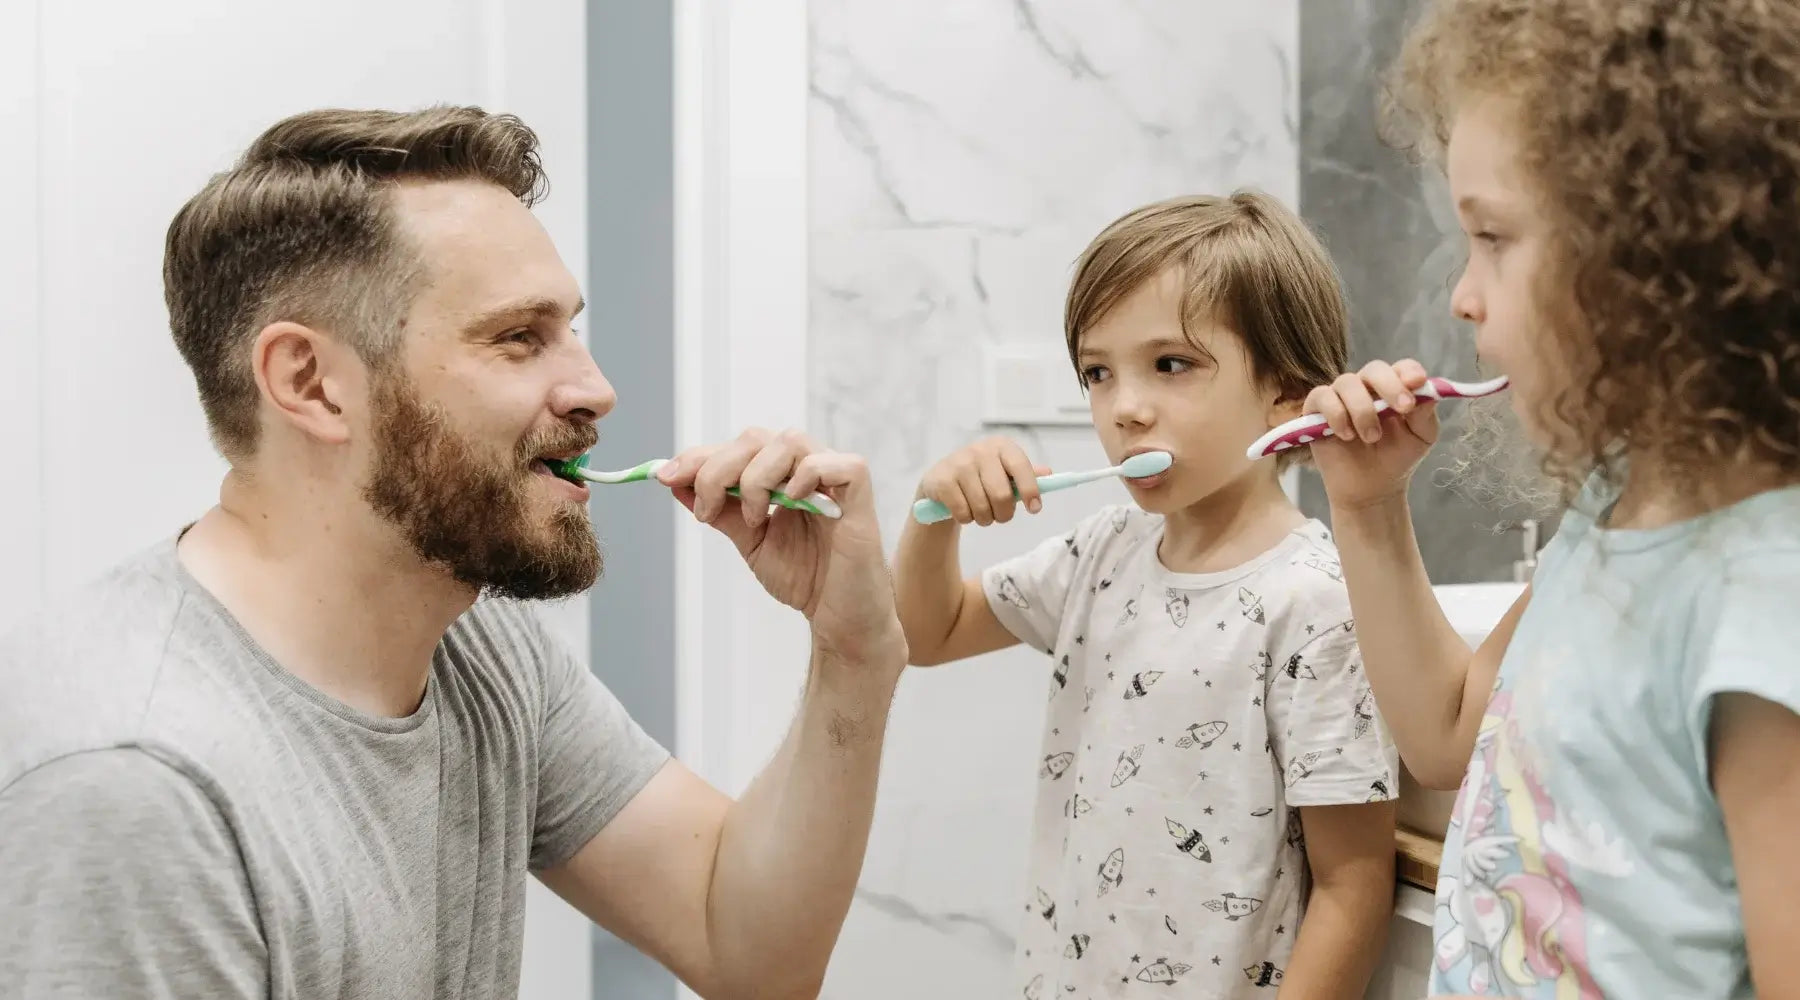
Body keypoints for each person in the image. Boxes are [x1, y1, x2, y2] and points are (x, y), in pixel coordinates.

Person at [0, 106, 907, 1000]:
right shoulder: (133, 788)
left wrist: (853, 653)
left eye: (571, 330)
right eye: (520, 337)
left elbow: (746, 949)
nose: (596, 389)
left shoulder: (474, 649)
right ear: (313, 385)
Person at [1299, 1, 1800, 996]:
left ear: (1656, 260)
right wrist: (1365, 506)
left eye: (1492, 237)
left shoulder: (1762, 600)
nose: (1461, 295)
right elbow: (1445, 729)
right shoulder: (1621, 505)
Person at [893, 192, 1400, 999]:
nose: (1124, 408)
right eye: (1099, 372)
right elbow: (927, 633)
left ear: (1286, 394)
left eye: (1172, 365)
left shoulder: (1312, 602)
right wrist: (934, 517)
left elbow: (1356, 882)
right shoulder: (1103, 553)